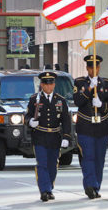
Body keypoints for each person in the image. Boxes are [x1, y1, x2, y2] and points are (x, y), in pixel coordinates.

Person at [72, 55, 108, 199]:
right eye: (91, 67)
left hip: (102, 126)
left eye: (96, 67)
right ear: (87, 68)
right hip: (86, 125)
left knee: (99, 159)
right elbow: (78, 101)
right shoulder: (79, 83)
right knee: (88, 157)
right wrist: (90, 88)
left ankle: (96, 185)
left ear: (99, 67)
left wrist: (102, 105)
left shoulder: (107, 83)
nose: (94, 69)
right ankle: (90, 186)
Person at [25, 71, 72, 202]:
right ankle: (44, 190)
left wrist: (66, 137)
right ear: (41, 85)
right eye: (46, 84)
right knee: (42, 164)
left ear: (54, 85)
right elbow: (27, 116)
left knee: (52, 165)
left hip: (54, 136)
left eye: (51, 84)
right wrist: (30, 122)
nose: (48, 87)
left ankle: (49, 187)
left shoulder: (60, 100)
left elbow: (66, 121)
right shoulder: (35, 99)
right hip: (40, 135)